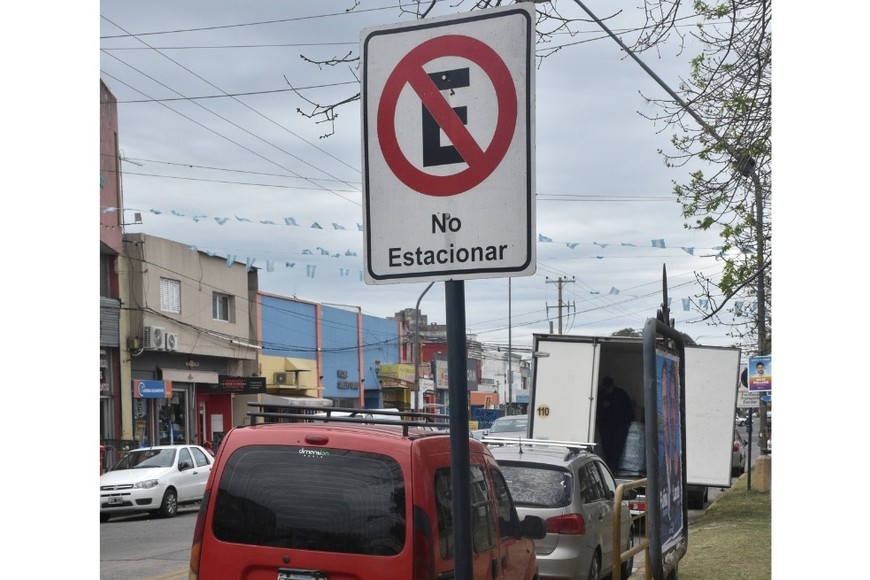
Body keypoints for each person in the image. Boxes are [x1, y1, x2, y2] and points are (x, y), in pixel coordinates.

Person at [597, 376, 633, 469]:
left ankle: (613, 466)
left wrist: (626, 424)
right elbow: (598, 410)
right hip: (606, 426)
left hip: (619, 425)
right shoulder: (601, 395)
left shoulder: (621, 394)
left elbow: (627, 409)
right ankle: (610, 466)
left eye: (609, 387)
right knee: (606, 446)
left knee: (617, 447)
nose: (608, 390)